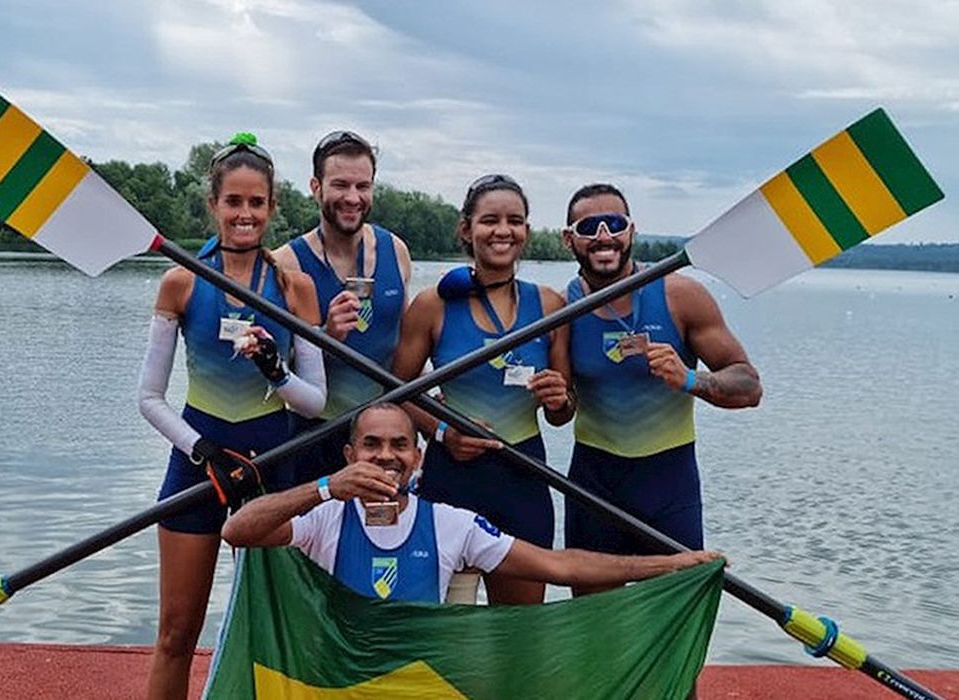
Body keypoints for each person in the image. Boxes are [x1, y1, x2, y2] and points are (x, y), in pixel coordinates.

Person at [137, 133, 327, 699]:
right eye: (234, 202)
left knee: (281, 633)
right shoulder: (181, 281)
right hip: (200, 469)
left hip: (272, 469)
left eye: (257, 203)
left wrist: (276, 370)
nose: (245, 215)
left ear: (272, 207)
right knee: (175, 634)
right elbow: (148, 398)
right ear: (214, 206)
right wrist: (204, 450)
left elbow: (314, 402)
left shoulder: (295, 288)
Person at [221, 403, 721, 603]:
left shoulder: (451, 525)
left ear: (418, 459)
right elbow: (238, 530)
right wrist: (326, 486)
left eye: (399, 445)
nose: (385, 457)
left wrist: (669, 565)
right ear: (351, 454)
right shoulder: (325, 515)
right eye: (371, 445)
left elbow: (559, 565)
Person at [560, 183, 762, 598]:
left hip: (668, 483)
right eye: (588, 226)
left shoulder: (680, 295)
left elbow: (749, 385)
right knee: (593, 622)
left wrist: (691, 380)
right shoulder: (560, 310)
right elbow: (561, 412)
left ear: (631, 231)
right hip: (594, 484)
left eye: (613, 224)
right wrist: (555, 398)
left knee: (676, 613)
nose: (603, 236)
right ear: (569, 239)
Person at [390, 174, 574, 605]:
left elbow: (563, 413)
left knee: (520, 635)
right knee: (444, 633)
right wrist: (442, 432)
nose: (503, 230)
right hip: (451, 480)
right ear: (466, 229)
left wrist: (559, 398)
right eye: (490, 220)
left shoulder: (550, 305)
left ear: (527, 230)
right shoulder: (433, 305)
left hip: (524, 478)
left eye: (515, 220)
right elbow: (395, 391)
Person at [272, 130, 412, 481]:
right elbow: (270, 370)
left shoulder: (395, 250)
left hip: (382, 440)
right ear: (316, 187)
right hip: (311, 435)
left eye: (363, 186)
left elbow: (402, 350)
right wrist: (324, 336)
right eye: (340, 185)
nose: (353, 198)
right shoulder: (286, 263)